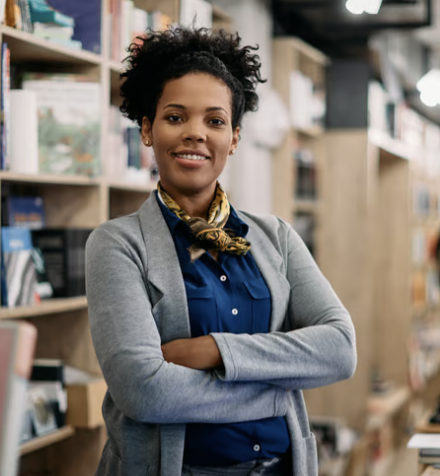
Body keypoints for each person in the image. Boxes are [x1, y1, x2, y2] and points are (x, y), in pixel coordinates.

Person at [85, 26, 356, 476]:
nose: (195, 133)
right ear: (148, 130)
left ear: (233, 137)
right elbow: (144, 391)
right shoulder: (117, 245)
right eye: (175, 117)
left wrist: (214, 349)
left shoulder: (277, 238)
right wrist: (278, 389)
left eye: (214, 120)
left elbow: (340, 348)